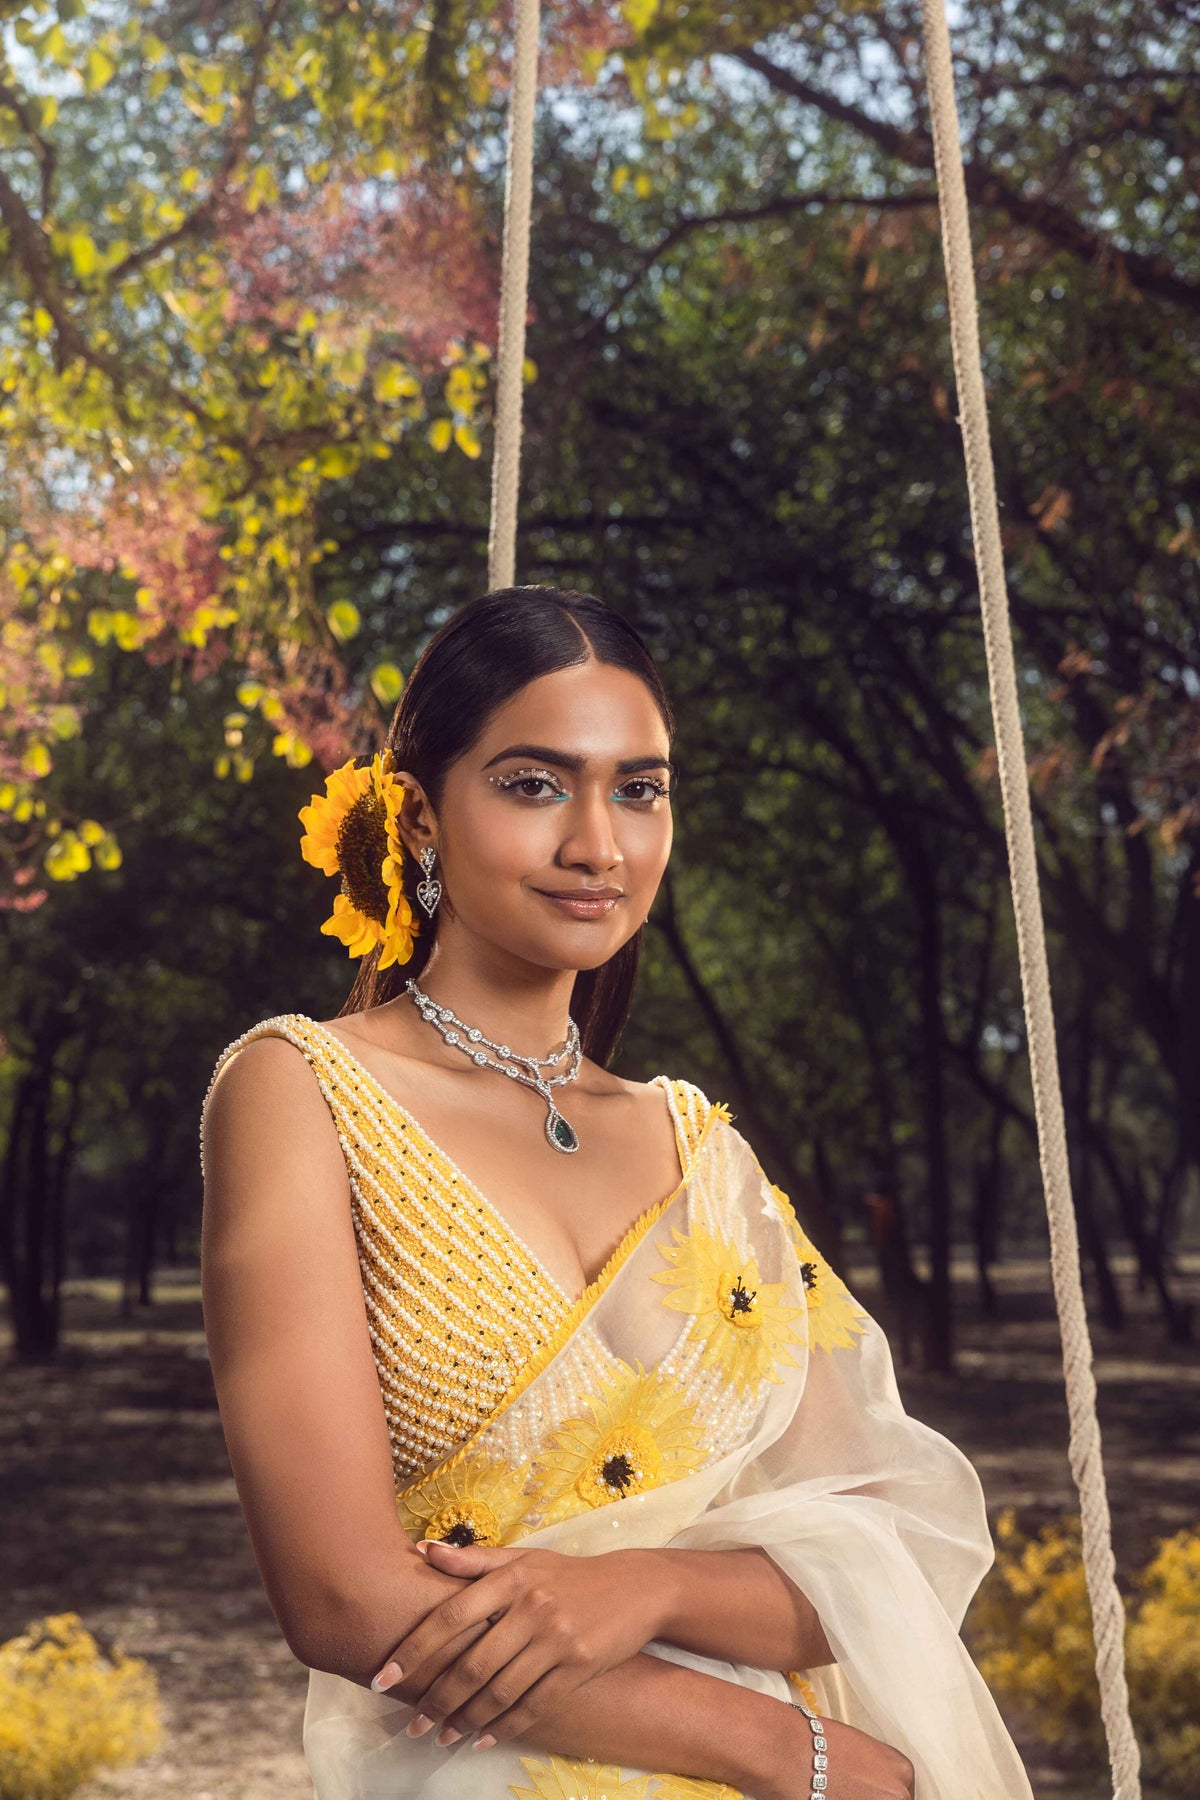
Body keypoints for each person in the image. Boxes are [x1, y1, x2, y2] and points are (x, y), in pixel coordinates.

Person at [199, 586, 1033, 1800]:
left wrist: (650, 1584)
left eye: (638, 789)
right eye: (535, 784)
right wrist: (795, 1756)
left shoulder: (701, 1149)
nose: (600, 843)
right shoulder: (306, 1091)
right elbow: (342, 1598)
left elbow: (888, 1527)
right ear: (422, 819)